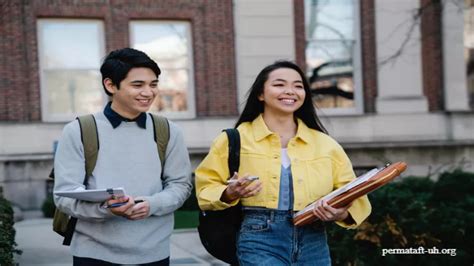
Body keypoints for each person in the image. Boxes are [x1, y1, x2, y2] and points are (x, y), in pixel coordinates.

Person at [195, 60, 371, 265]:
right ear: (260, 94)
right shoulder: (234, 139)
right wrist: (229, 193)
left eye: (298, 86)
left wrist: (341, 213)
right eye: (279, 84)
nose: (290, 91)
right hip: (258, 238)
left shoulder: (326, 144)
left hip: (314, 239)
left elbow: (355, 194)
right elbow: (205, 188)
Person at [53, 48, 192, 265]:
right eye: (138, 85)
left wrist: (151, 204)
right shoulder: (78, 130)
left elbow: (180, 185)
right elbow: (64, 196)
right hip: (93, 254)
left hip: (154, 253)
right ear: (110, 85)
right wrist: (107, 208)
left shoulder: (168, 130)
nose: (148, 92)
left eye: (153, 84)